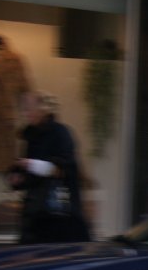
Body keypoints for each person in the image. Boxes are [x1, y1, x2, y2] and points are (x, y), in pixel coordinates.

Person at [12, 92, 90, 244]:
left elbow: (64, 168)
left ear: (43, 109)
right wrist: (17, 177)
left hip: (57, 216)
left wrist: (33, 166)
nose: (25, 113)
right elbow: (29, 177)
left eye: (29, 108)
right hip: (36, 215)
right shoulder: (30, 137)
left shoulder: (59, 133)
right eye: (24, 109)